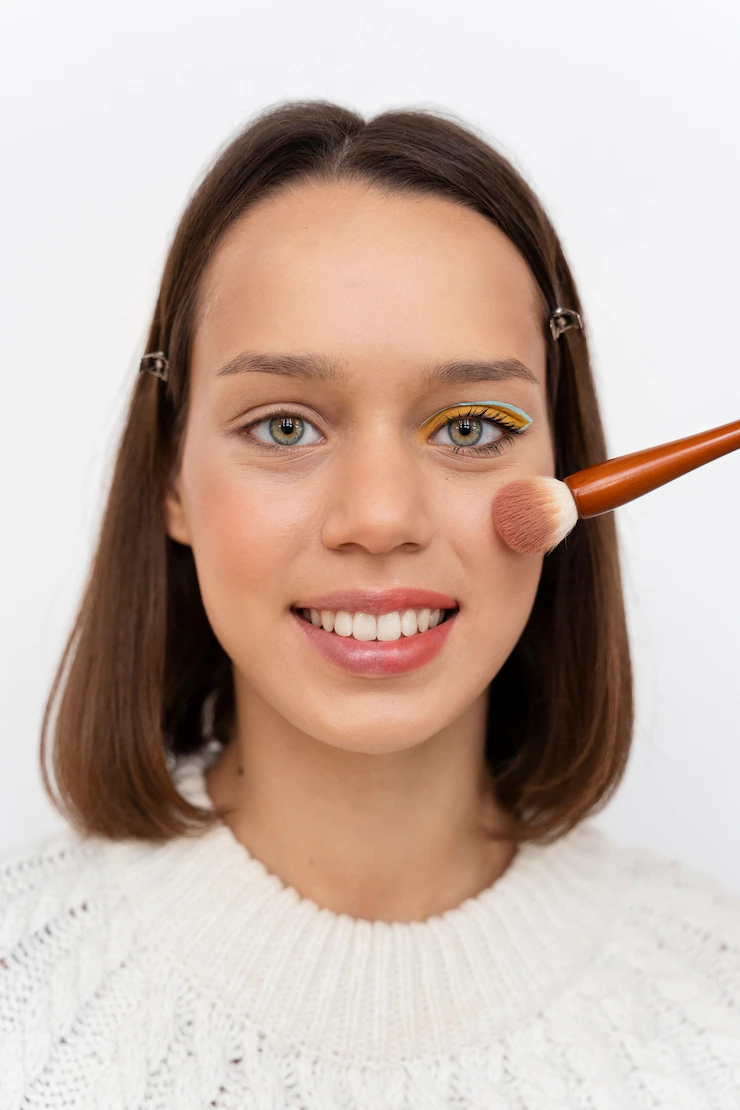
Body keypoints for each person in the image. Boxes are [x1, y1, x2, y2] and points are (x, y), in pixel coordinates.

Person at [1, 99, 738, 1108]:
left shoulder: (715, 1009)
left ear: (565, 480)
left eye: (472, 427)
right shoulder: (20, 1000)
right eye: (287, 427)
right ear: (170, 480)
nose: (380, 517)